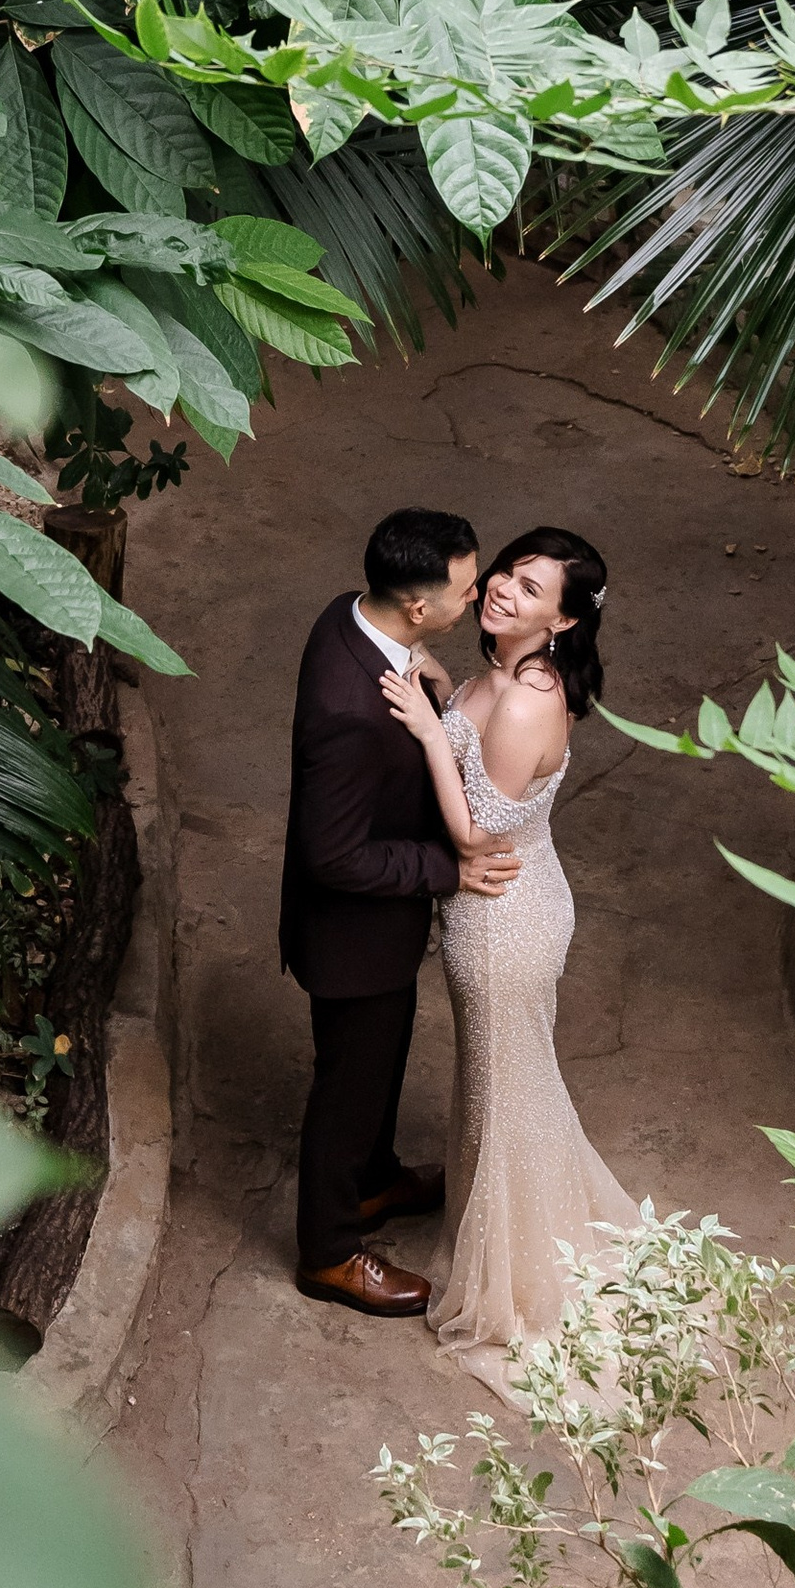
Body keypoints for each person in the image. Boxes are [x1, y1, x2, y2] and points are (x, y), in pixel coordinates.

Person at [378, 523, 637, 1380]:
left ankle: (519, 1281)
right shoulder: (506, 677)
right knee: (503, 1084)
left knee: (505, 1090)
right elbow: (483, 746)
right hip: (510, 904)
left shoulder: (531, 697)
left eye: (531, 590)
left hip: (503, 922)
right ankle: (503, 1227)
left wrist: (425, 728)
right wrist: (451, 695)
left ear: (561, 625)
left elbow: (479, 830)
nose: (502, 590)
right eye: (507, 574)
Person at [281, 509, 521, 1317]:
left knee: (380, 1067)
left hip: (377, 930)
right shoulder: (350, 710)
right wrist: (448, 869)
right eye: (466, 588)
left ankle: (376, 1182)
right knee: (347, 1090)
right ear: (417, 607)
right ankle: (329, 1252)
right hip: (351, 935)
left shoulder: (353, 616)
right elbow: (334, 856)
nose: (478, 598)